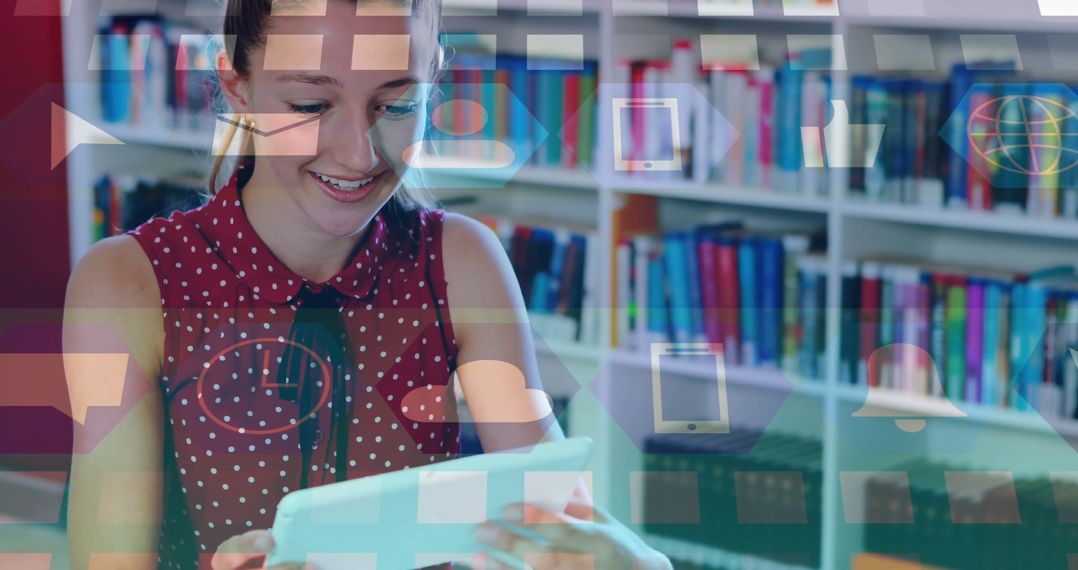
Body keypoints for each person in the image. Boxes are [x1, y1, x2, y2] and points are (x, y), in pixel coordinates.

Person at [63, 1, 673, 569]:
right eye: (309, 106)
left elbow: (552, 512)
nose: (359, 155)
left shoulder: (462, 261)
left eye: (397, 105)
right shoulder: (128, 284)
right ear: (237, 90)